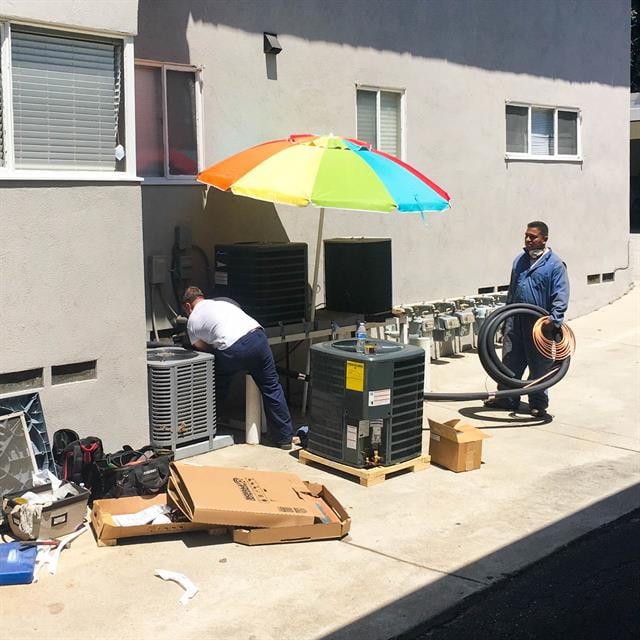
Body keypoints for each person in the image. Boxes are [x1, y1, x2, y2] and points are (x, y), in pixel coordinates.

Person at [182, 286, 293, 449]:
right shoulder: (221, 304)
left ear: (187, 306)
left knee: (217, 380)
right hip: (258, 338)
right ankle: (284, 439)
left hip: (233, 349)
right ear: (202, 297)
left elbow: (203, 349)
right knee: (271, 387)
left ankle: (210, 427)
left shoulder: (192, 321)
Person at [488, 221, 569, 419]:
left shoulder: (555, 265)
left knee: (539, 365)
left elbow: (561, 294)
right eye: (526, 236)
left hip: (540, 325)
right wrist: (504, 317)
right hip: (515, 321)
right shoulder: (520, 261)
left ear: (544, 239)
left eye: (533, 237)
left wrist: (554, 320)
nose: (528, 240)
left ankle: (538, 404)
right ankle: (507, 399)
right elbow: (512, 290)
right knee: (510, 361)